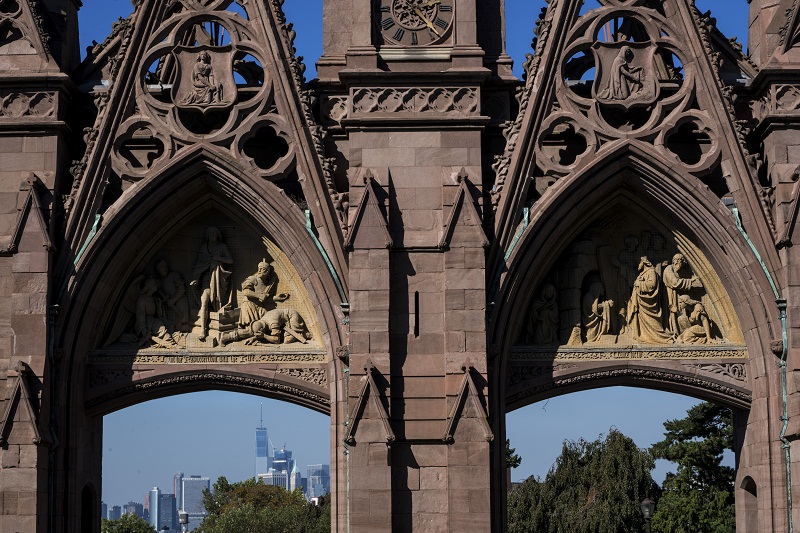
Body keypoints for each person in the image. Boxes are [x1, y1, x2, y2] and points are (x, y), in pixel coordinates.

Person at [190, 226, 234, 341]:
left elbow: (230, 260)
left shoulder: (222, 247)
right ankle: (203, 330)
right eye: (210, 234)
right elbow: (199, 265)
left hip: (219, 279)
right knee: (204, 301)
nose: (212, 236)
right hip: (206, 279)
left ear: (218, 236)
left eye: (214, 234)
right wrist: (196, 279)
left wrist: (219, 258)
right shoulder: (204, 248)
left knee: (213, 302)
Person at [626, 257, 672, 343]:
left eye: (638, 263)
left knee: (653, 324)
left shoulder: (651, 272)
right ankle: (641, 334)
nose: (637, 266)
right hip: (640, 303)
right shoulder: (642, 273)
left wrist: (639, 283)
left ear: (644, 262)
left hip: (648, 304)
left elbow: (652, 285)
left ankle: (659, 337)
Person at [239, 259, 289, 328]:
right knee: (251, 326)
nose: (259, 271)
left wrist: (275, 298)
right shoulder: (253, 279)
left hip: (260, 307)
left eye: (262, 269)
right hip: (249, 305)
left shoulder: (266, 286)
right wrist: (259, 295)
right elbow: (246, 292)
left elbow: (266, 299)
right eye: (259, 269)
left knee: (269, 320)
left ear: (267, 271)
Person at [662, 253, 703, 335]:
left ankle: (684, 333)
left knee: (682, 314)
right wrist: (690, 281)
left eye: (680, 261)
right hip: (671, 297)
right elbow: (675, 283)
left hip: (679, 297)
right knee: (674, 314)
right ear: (674, 261)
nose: (678, 263)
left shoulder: (680, 271)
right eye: (676, 260)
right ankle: (675, 332)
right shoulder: (668, 269)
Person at [155, 259, 188, 333]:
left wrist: (173, 300)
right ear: (157, 270)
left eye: (165, 266)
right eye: (162, 267)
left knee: (181, 326)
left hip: (179, 305)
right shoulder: (159, 282)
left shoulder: (174, 275)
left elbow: (182, 289)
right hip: (169, 308)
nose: (165, 268)